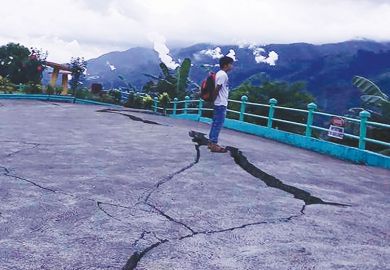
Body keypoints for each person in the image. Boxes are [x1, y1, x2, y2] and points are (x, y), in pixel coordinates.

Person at [208, 56, 234, 153]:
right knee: (218, 124)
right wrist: (213, 100)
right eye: (231, 64)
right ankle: (214, 144)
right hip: (220, 103)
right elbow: (218, 88)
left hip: (218, 103)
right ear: (226, 65)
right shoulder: (223, 75)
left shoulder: (219, 73)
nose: (232, 66)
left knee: (215, 123)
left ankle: (211, 143)